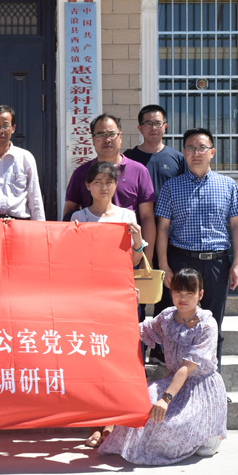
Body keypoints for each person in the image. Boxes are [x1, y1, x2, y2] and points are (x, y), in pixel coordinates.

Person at [96, 268, 228, 465]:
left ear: (200, 294)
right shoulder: (167, 317)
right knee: (144, 402)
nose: (183, 298)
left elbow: (186, 368)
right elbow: (138, 331)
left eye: (189, 293)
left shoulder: (207, 325)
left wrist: (166, 399)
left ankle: (208, 434)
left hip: (200, 388)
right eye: (178, 292)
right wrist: (130, 306)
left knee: (188, 437)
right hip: (173, 382)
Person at [155, 128, 238, 368]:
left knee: (212, 323)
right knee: (180, 322)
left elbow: (237, 225)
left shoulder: (227, 185)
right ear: (184, 153)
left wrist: (237, 263)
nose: (196, 153)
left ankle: (211, 378)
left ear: (212, 152)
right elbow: (162, 228)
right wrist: (164, 264)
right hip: (182, 261)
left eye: (201, 148)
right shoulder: (171, 187)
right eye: (190, 148)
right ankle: (178, 378)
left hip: (217, 263)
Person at [73, 160, 145, 448]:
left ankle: (111, 422)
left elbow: (135, 260)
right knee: (92, 359)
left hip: (117, 296)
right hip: (87, 296)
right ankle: (95, 421)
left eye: (109, 181)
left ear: (116, 185)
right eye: (98, 182)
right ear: (88, 185)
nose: (104, 187)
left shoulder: (127, 216)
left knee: (115, 359)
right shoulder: (78, 217)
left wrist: (138, 242)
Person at [124, 105, 186, 364]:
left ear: (165, 127)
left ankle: (160, 350)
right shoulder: (129, 157)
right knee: (136, 292)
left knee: (166, 293)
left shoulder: (177, 158)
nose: (153, 127)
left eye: (157, 123)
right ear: (139, 128)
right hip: (134, 236)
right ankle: (134, 349)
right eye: (148, 123)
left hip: (170, 237)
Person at [63, 113, 155, 263]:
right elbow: (69, 212)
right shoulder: (81, 173)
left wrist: (147, 258)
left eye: (111, 134)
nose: (107, 139)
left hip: (127, 254)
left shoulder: (139, 171)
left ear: (120, 137)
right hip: (90, 256)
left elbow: (147, 217)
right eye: (100, 134)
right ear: (93, 139)